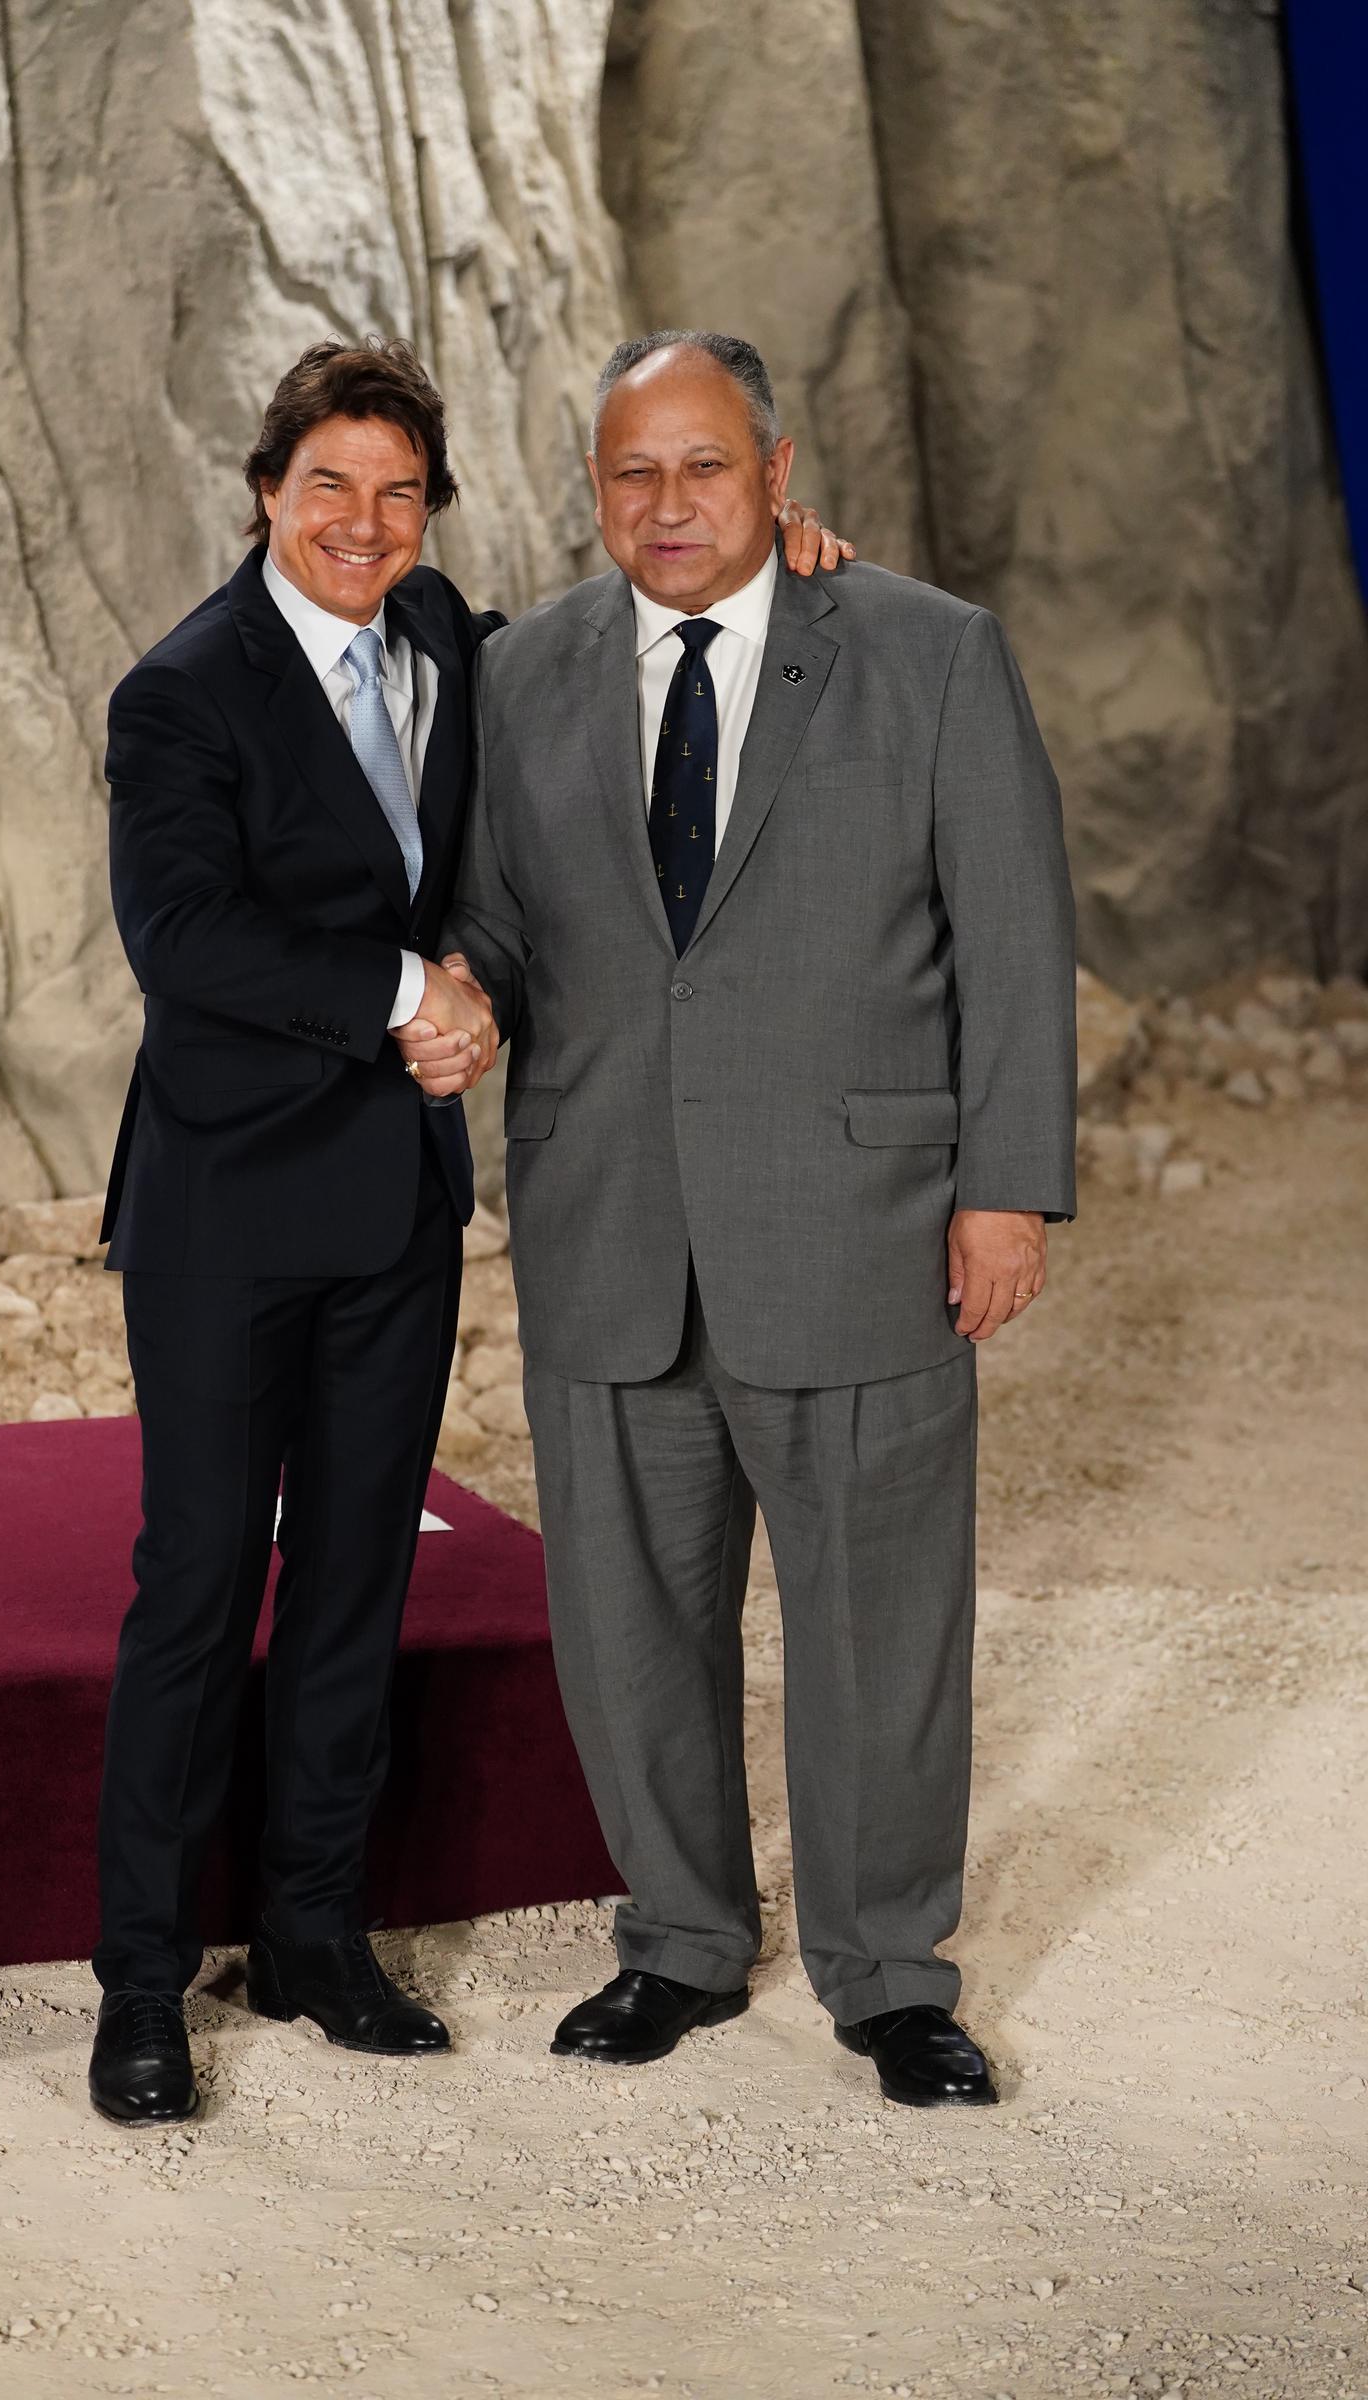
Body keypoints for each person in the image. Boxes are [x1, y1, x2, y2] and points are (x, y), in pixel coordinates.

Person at [88, 337, 849, 2123]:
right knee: (197, 1585)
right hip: (225, 1206)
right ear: (268, 492)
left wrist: (781, 553)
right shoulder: (180, 692)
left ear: (432, 512)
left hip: (399, 1207)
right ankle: (138, 1982)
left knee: (358, 1573)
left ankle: (313, 1934)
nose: (364, 521)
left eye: (400, 492)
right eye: (330, 486)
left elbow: (628, 637)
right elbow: (182, 938)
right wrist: (398, 988)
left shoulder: (456, 646)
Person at [403, 330, 1076, 2107]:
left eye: (706, 467)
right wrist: (465, 984)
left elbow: (1009, 937)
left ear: (779, 476)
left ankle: (887, 1972)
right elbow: (505, 917)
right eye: (635, 472)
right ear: (597, 489)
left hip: (861, 1220)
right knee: (631, 1625)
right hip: (610, 1222)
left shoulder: (929, 653)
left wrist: (1006, 1188)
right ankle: (681, 1943)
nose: (669, 503)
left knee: (880, 1628)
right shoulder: (525, 670)